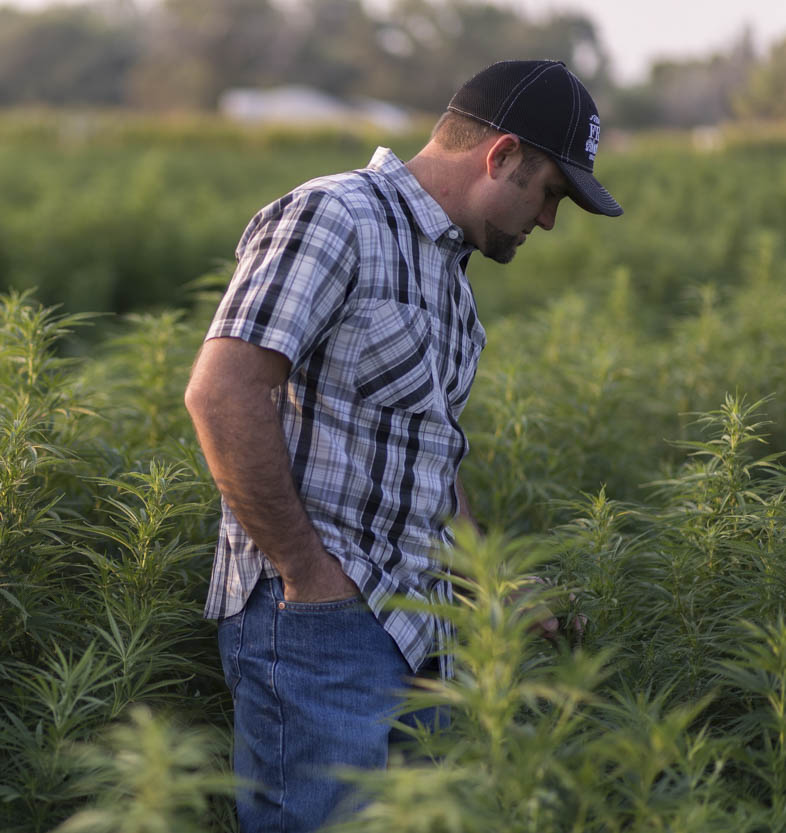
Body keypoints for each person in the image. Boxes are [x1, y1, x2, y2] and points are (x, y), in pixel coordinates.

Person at [184, 59, 622, 832]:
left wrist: (491, 581)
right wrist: (307, 576)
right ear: (502, 155)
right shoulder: (335, 215)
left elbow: (425, 458)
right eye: (551, 192)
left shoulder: (447, 276)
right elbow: (223, 391)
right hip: (321, 627)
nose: (548, 221)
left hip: (421, 627)